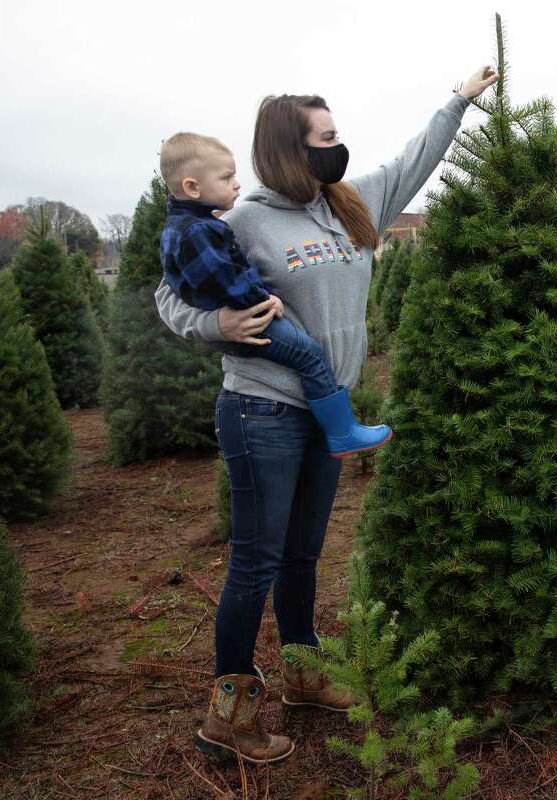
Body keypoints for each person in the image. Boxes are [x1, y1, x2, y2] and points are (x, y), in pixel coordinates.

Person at [154, 66, 498, 764]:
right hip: (264, 408)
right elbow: (169, 296)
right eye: (327, 138)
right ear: (290, 148)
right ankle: (230, 713)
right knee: (257, 560)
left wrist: (458, 101)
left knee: (304, 554)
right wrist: (216, 321)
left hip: (326, 412)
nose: (338, 148)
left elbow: (413, 160)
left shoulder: (349, 203)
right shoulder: (244, 217)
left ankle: (303, 676)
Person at [158, 132, 391, 458]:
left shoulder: (195, 225)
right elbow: (223, 280)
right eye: (226, 178)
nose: (237, 184)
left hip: (249, 313)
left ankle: (339, 429)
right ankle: (341, 431)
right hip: (254, 318)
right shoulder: (199, 231)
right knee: (309, 355)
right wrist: (260, 299)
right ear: (192, 188)